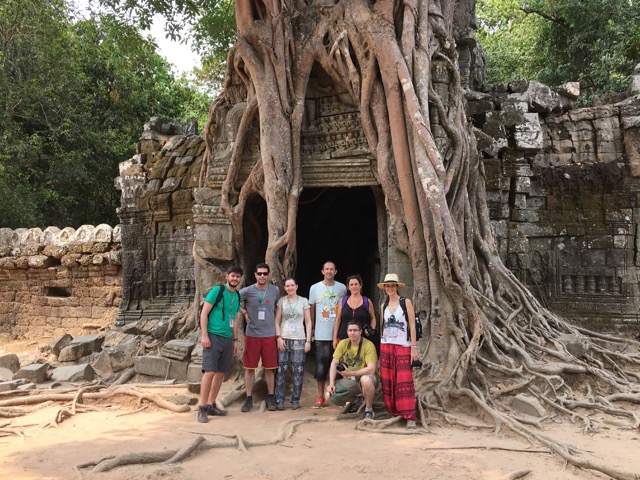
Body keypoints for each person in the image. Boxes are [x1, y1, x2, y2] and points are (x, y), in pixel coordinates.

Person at [197, 265, 243, 423]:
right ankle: (202, 407)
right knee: (209, 371)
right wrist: (204, 335)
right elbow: (204, 313)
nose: (235, 279)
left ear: (240, 279)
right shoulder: (218, 291)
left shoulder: (237, 295)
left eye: (237, 277)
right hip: (213, 335)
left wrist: (235, 340)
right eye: (233, 276)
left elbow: (235, 319)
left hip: (228, 337)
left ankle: (211, 404)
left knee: (221, 373)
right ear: (227, 276)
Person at [378, 273, 419, 429]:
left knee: (404, 380)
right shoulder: (383, 306)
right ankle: (393, 411)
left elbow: (412, 325)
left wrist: (413, 347)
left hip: (403, 345)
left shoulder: (405, 302)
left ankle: (409, 414)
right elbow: (383, 327)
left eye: (392, 285)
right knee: (388, 379)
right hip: (386, 345)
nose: (389, 288)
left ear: (397, 287)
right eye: (387, 286)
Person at [239, 263, 280, 412]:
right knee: (250, 368)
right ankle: (248, 398)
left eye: (265, 273)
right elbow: (233, 299)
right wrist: (243, 312)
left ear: (269, 275)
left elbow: (278, 307)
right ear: (255, 275)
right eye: (259, 273)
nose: (262, 276)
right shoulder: (247, 291)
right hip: (252, 334)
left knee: (270, 369)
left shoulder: (275, 290)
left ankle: (271, 396)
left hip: (269, 335)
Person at [308, 260, 347, 408]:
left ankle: (339, 396)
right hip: (321, 333)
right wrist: (312, 328)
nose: (329, 272)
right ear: (322, 271)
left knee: (339, 365)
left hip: (338, 334)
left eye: (332, 269)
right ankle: (320, 396)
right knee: (321, 365)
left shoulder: (342, 288)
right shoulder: (315, 288)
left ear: (336, 272)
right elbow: (312, 309)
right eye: (327, 269)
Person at [325, 320, 378, 420]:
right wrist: (331, 383)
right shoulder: (343, 343)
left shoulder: (368, 345)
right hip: (350, 381)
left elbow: (371, 369)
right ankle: (357, 400)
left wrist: (351, 373)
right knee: (329, 394)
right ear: (347, 331)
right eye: (350, 330)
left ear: (360, 332)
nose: (352, 333)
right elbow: (334, 363)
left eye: (355, 330)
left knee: (365, 380)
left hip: (367, 379)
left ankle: (368, 409)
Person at [274, 277, 312, 410]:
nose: (290, 288)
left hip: (299, 339)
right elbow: (277, 320)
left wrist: (308, 340)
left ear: (297, 286)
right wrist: (278, 337)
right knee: (280, 370)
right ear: (284, 288)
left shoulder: (303, 301)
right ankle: (279, 399)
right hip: (283, 338)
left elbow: (308, 321)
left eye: (292, 285)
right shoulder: (282, 301)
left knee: (298, 370)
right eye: (287, 286)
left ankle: (295, 399)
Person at [332, 274, 377, 348]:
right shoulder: (343, 301)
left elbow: (373, 318)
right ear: (348, 287)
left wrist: (371, 330)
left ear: (360, 285)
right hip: (344, 338)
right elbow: (338, 320)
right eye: (351, 285)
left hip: (362, 339)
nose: (354, 287)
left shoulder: (366, 301)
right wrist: (334, 338)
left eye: (356, 284)